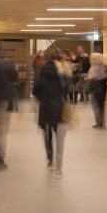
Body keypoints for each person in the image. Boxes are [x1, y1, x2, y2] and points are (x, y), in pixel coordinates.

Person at [33, 47, 69, 178]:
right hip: (59, 108)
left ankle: (50, 161)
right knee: (60, 140)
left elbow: (36, 90)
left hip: (45, 108)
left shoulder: (42, 71)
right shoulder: (62, 70)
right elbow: (67, 88)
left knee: (47, 136)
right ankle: (59, 169)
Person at [86, 53, 107, 129]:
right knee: (98, 106)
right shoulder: (96, 65)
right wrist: (106, 79)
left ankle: (100, 123)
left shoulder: (102, 66)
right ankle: (100, 123)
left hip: (98, 88)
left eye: (92, 58)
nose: (91, 60)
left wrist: (105, 79)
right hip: (97, 87)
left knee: (97, 106)